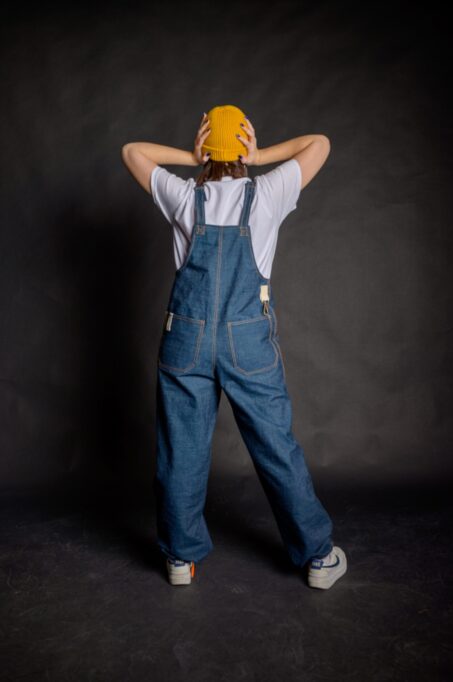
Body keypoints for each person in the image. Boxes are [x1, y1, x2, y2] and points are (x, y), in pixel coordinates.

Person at [121, 104, 348, 590]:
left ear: (206, 150)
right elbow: (320, 143)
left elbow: (132, 151)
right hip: (248, 340)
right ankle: (318, 557)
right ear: (244, 147)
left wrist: (189, 154)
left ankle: (180, 558)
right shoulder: (267, 192)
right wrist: (263, 154)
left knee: (182, 449)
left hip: (187, 338)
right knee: (275, 446)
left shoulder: (183, 196)